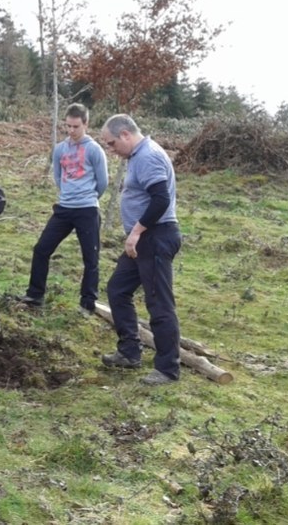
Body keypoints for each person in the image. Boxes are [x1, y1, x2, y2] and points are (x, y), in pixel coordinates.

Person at [99, 114, 182, 386]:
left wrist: (136, 231)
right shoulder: (137, 156)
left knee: (159, 303)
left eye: (111, 143)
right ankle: (129, 352)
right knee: (118, 289)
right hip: (144, 239)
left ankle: (168, 369)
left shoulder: (148, 156)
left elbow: (160, 200)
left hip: (155, 237)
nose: (111, 150)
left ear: (125, 134)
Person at [20, 103, 108, 314]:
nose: (71, 131)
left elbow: (102, 182)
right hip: (64, 208)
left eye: (75, 126)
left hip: (87, 209)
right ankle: (35, 294)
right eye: (67, 126)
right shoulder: (60, 149)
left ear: (86, 124)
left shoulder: (95, 150)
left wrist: (86, 197)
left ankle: (87, 303)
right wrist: (67, 195)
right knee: (41, 249)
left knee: (91, 257)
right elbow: (58, 177)